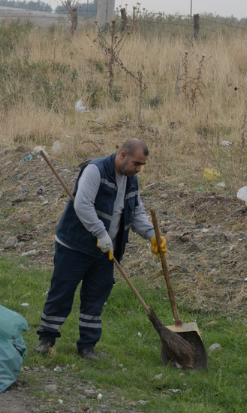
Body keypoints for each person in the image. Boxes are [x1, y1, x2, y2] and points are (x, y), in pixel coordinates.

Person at [35, 138, 167, 360]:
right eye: (136, 163)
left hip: (106, 252)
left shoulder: (131, 180)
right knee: (62, 292)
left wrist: (153, 235)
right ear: (122, 155)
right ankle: (46, 339)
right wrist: (100, 233)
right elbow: (82, 205)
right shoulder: (95, 170)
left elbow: (135, 215)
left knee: (95, 299)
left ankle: (87, 346)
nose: (139, 169)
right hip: (75, 246)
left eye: (142, 165)